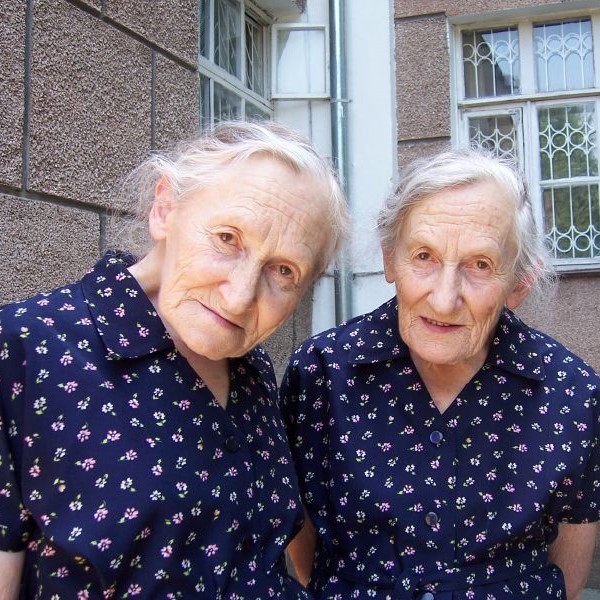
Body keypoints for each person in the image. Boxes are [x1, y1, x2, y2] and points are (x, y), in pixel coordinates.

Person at [0, 120, 349, 599]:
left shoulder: (251, 367)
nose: (240, 295)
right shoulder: (24, 348)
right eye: (228, 238)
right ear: (165, 209)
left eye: (283, 270)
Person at [280, 148, 600, 599]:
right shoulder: (321, 374)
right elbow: (303, 536)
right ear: (391, 260)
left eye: (480, 265)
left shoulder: (571, 392)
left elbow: (572, 552)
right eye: (424, 256)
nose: (444, 298)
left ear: (520, 283)